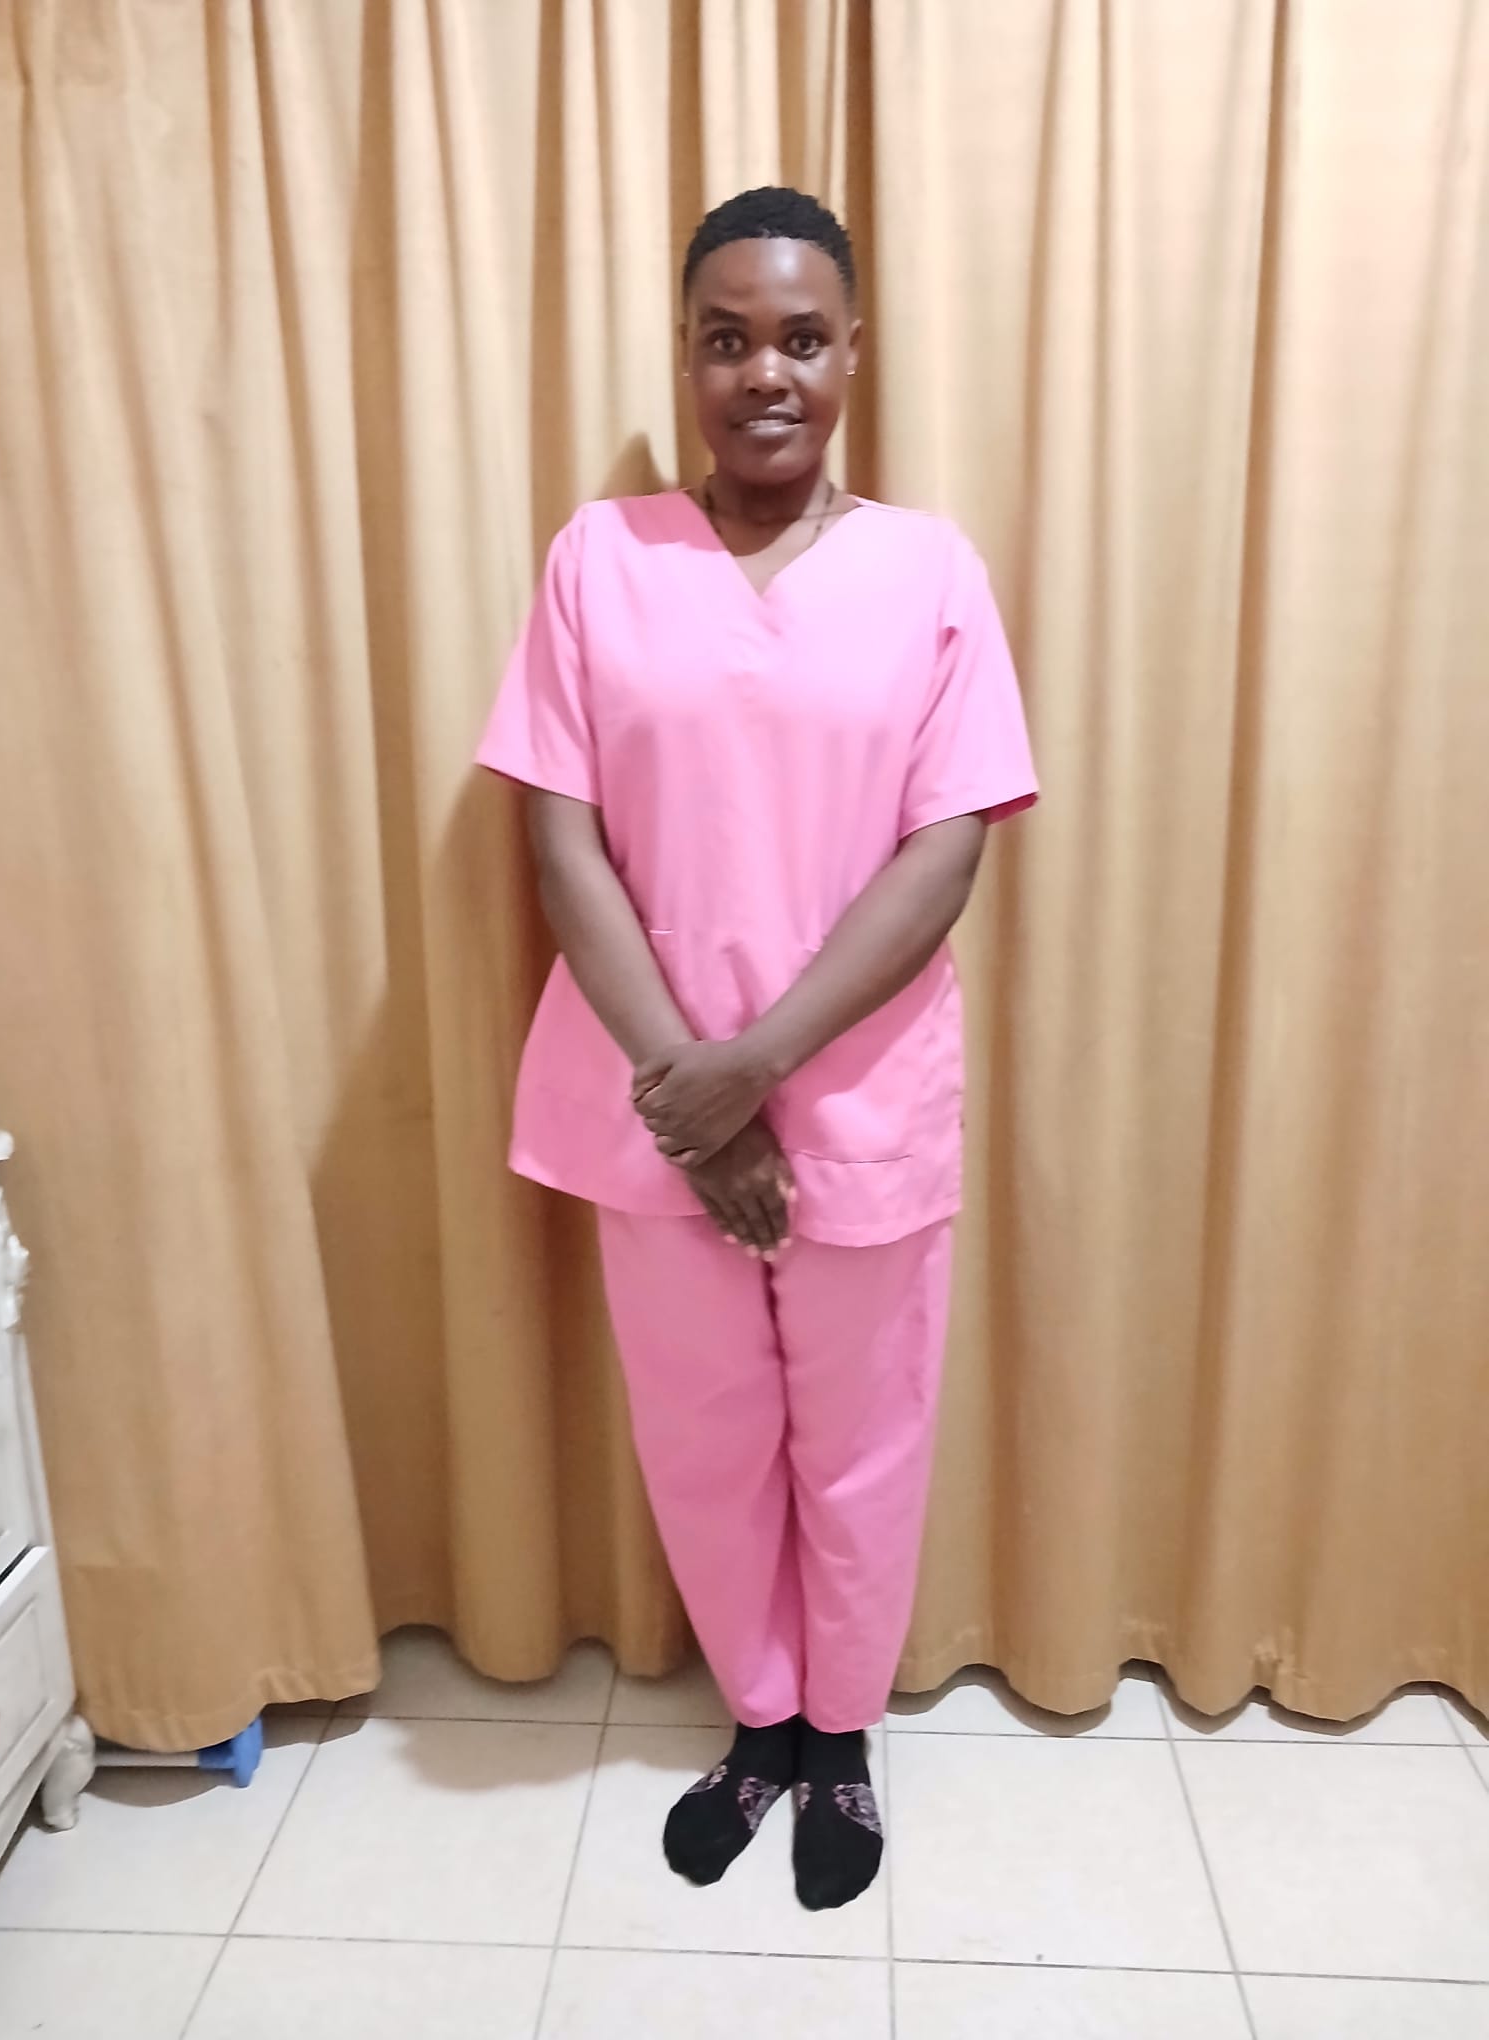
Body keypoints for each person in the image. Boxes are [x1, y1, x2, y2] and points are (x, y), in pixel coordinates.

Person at [477, 186, 1037, 1911]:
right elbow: (560, 836)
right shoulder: (599, 559)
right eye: (726, 341)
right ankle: (762, 1719)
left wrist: (755, 1068)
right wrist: (691, 1092)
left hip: (856, 1099)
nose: (764, 373)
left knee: (860, 1444)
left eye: (800, 338)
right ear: (686, 358)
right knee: (705, 1440)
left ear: (851, 354)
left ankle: (842, 1738)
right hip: (649, 1100)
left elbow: (946, 847)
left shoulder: (929, 571)